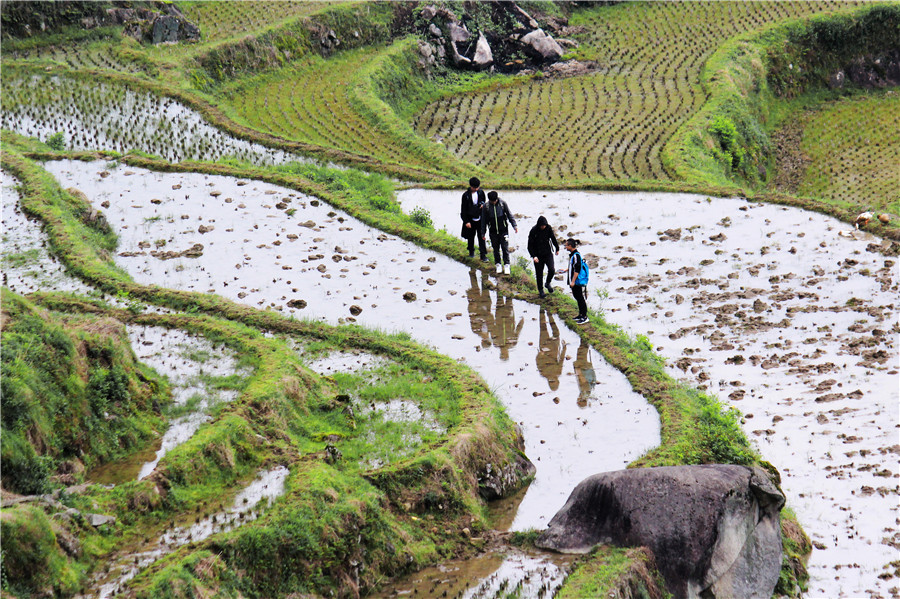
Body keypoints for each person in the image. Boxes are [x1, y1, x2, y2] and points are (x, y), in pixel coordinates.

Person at [480, 190, 517, 274]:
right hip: (493, 231)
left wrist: (514, 225)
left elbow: (509, 214)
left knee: (505, 248)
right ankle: (498, 265)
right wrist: (483, 232)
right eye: (491, 201)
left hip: (503, 230)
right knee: (495, 249)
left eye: (494, 201)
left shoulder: (503, 204)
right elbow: (484, 220)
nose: (493, 202)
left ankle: (507, 265)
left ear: (497, 199)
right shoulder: (486, 206)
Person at [527, 215, 560, 298]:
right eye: (542, 226)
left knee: (552, 269)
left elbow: (553, 238)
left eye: (544, 225)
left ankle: (548, 283)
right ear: (539, 225)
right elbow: (529, 246)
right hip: (537, 255)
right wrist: (533, 256)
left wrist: (557, 248)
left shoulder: (548, 228)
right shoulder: (533, 231)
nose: (543, 227)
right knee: (539, 274)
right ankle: (541, 290)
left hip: (548, 253)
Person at [460, 177, 487, 260]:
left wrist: (482, 206)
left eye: (477, 187)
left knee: (481, 237)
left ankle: (483, 255)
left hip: (480, 219)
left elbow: (484, 203)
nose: (476, 189)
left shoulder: (481, 193)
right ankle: (471, 252)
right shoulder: (466, 195)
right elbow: (463, 209)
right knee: (471, 237)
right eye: (474, 188)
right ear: (470, 186)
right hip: (470, 219)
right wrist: (466, 221)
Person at [565, 238, 589, 324]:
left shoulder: (576, 255)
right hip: (575, 281)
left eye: (566, 245)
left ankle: (584, 316)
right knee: (577, 297)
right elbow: (573, 266)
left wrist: (573, 281)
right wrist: (566, 270)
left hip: (576, 282)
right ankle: (580, 314)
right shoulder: (573, 255)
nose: (565, 247)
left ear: (570, 246)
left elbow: (577, 269)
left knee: (580, 298)